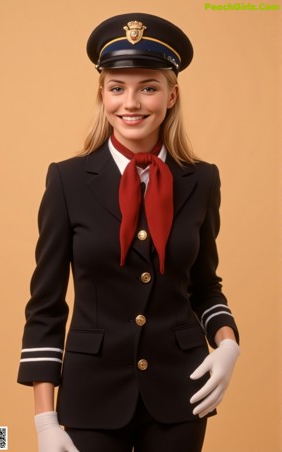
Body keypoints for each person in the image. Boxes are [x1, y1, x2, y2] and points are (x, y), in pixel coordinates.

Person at [17, 12, 240, 452]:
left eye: (149, 88)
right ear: (101, 94)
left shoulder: (202, 180)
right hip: (90, 395)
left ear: (172, 95)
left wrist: (229, 345)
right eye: (117, 88)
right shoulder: (66, 180)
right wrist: (45, 419)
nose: (131, 103)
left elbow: (204, 285)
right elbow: (45, 305)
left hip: (182, 391)